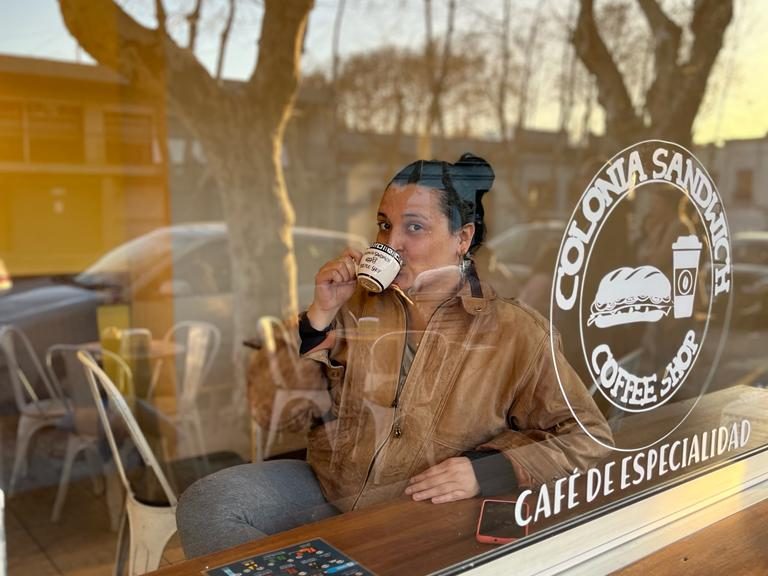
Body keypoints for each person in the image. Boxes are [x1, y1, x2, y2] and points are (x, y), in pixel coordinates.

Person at [176, 153, 613, 558]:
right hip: (332, 491)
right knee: (209, 504)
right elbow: (271, 411)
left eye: (414, 227)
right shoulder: (352, 305)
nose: (391, 242)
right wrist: (318, 316)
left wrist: (489, 470)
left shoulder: (516, 331)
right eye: (384, 226)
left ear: (462, 238)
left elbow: (589, 438)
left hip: (422, 514)